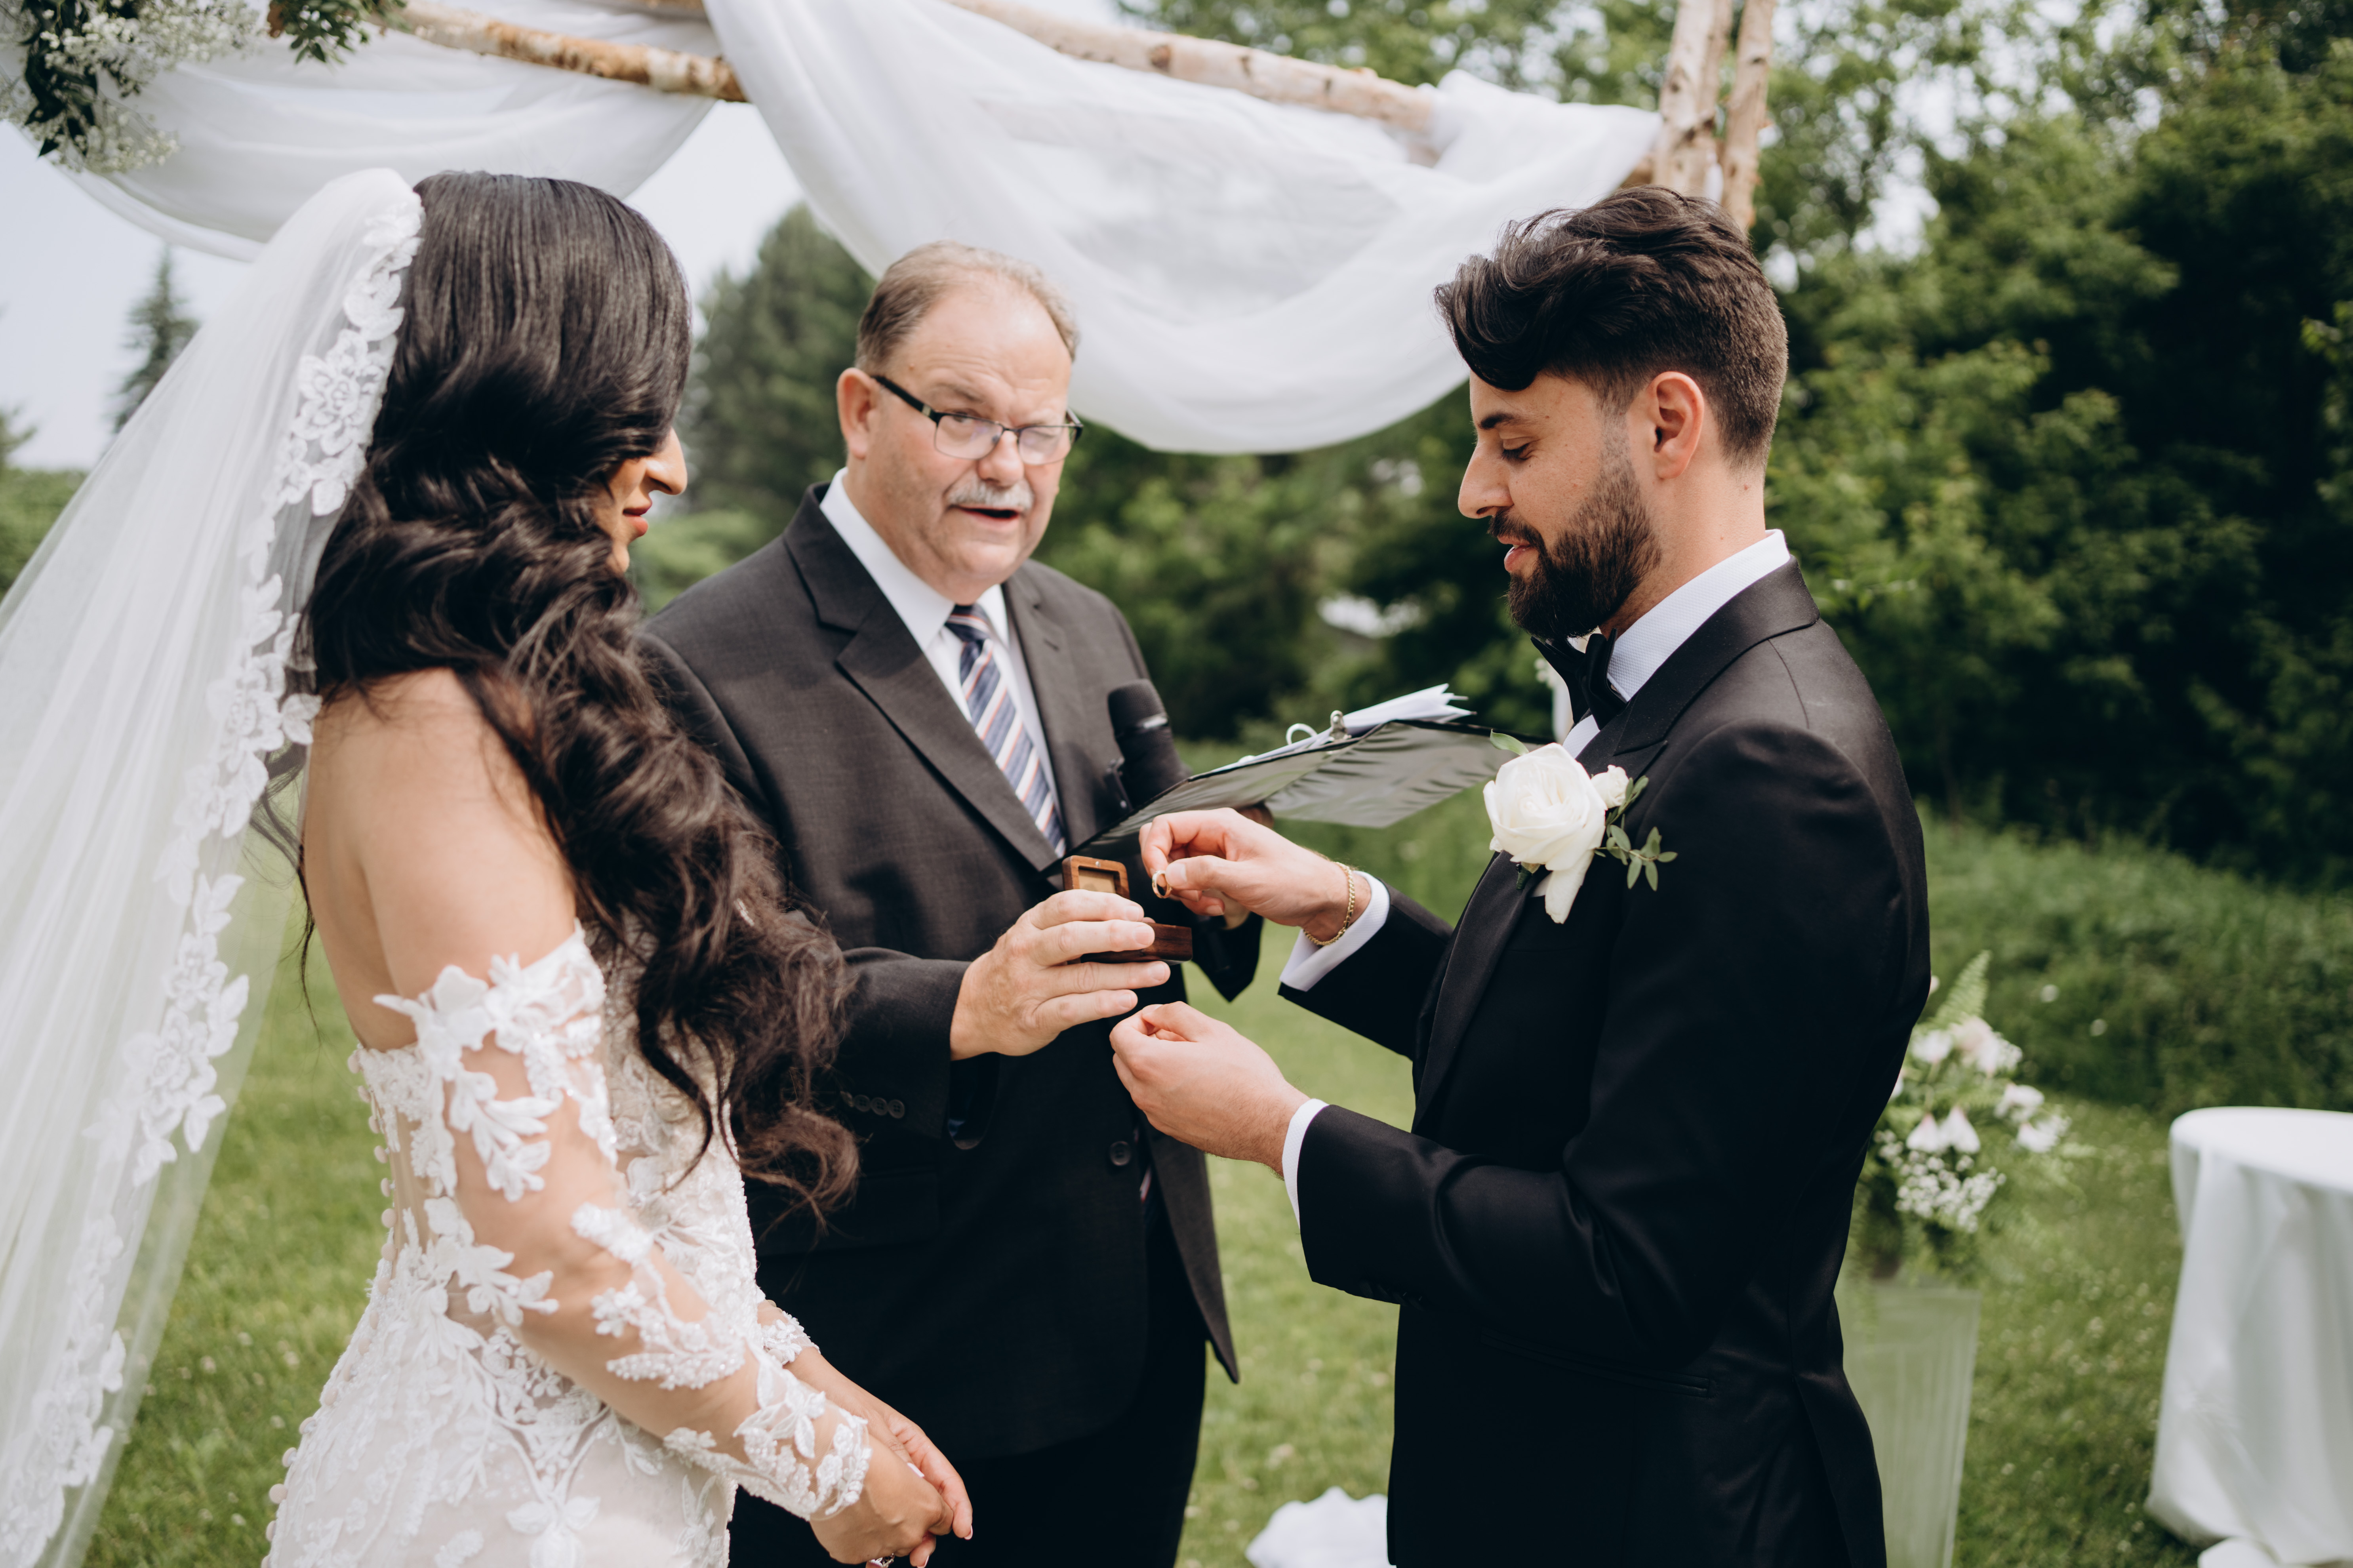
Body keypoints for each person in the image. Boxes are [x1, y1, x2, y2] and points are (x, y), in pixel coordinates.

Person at [1108, 189, 1930, 1567]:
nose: (1473, 491)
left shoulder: (1777, 767)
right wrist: (1340, 909)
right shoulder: (1671, 693)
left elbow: (1629, 1267)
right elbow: (1601, 1042)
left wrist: (1281, 1131)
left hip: (1656, 1517)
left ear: (1668, 425)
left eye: (1513, 442)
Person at [255, 171, 969, 1565]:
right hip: (515, 1505)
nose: (674, 467)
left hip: (604, 1453)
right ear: (520, 408)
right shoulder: (430, 729)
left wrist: (816, 1384)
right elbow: (547, 1247)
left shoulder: (477, 704)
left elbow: (634, 1188)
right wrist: (827, 1472)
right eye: (636, 416)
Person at [641, 242, 1259, 1568]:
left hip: (1135, 1315)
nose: (1009, 467)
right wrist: (967, 1005)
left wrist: (1227, 878)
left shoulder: (1085, 622)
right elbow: (715, 995)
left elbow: (1139, 877)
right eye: (965, 418)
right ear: (863, 410)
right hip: (903, 1342)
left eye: (1043, 431)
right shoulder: (699, 661)